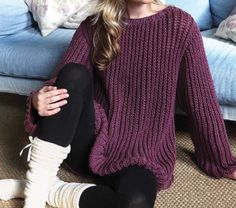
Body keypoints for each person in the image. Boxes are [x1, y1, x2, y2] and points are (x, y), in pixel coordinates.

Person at [1, 0, 236, 208]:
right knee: (73, 73)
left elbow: (201, 100)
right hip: (88, 141)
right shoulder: (95, 24)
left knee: (135, 203)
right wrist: (37, 99)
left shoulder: (180, 25)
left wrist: (222, 161)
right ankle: (36, 192)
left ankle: (48, 188)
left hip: (141, 150)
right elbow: (63, 82)